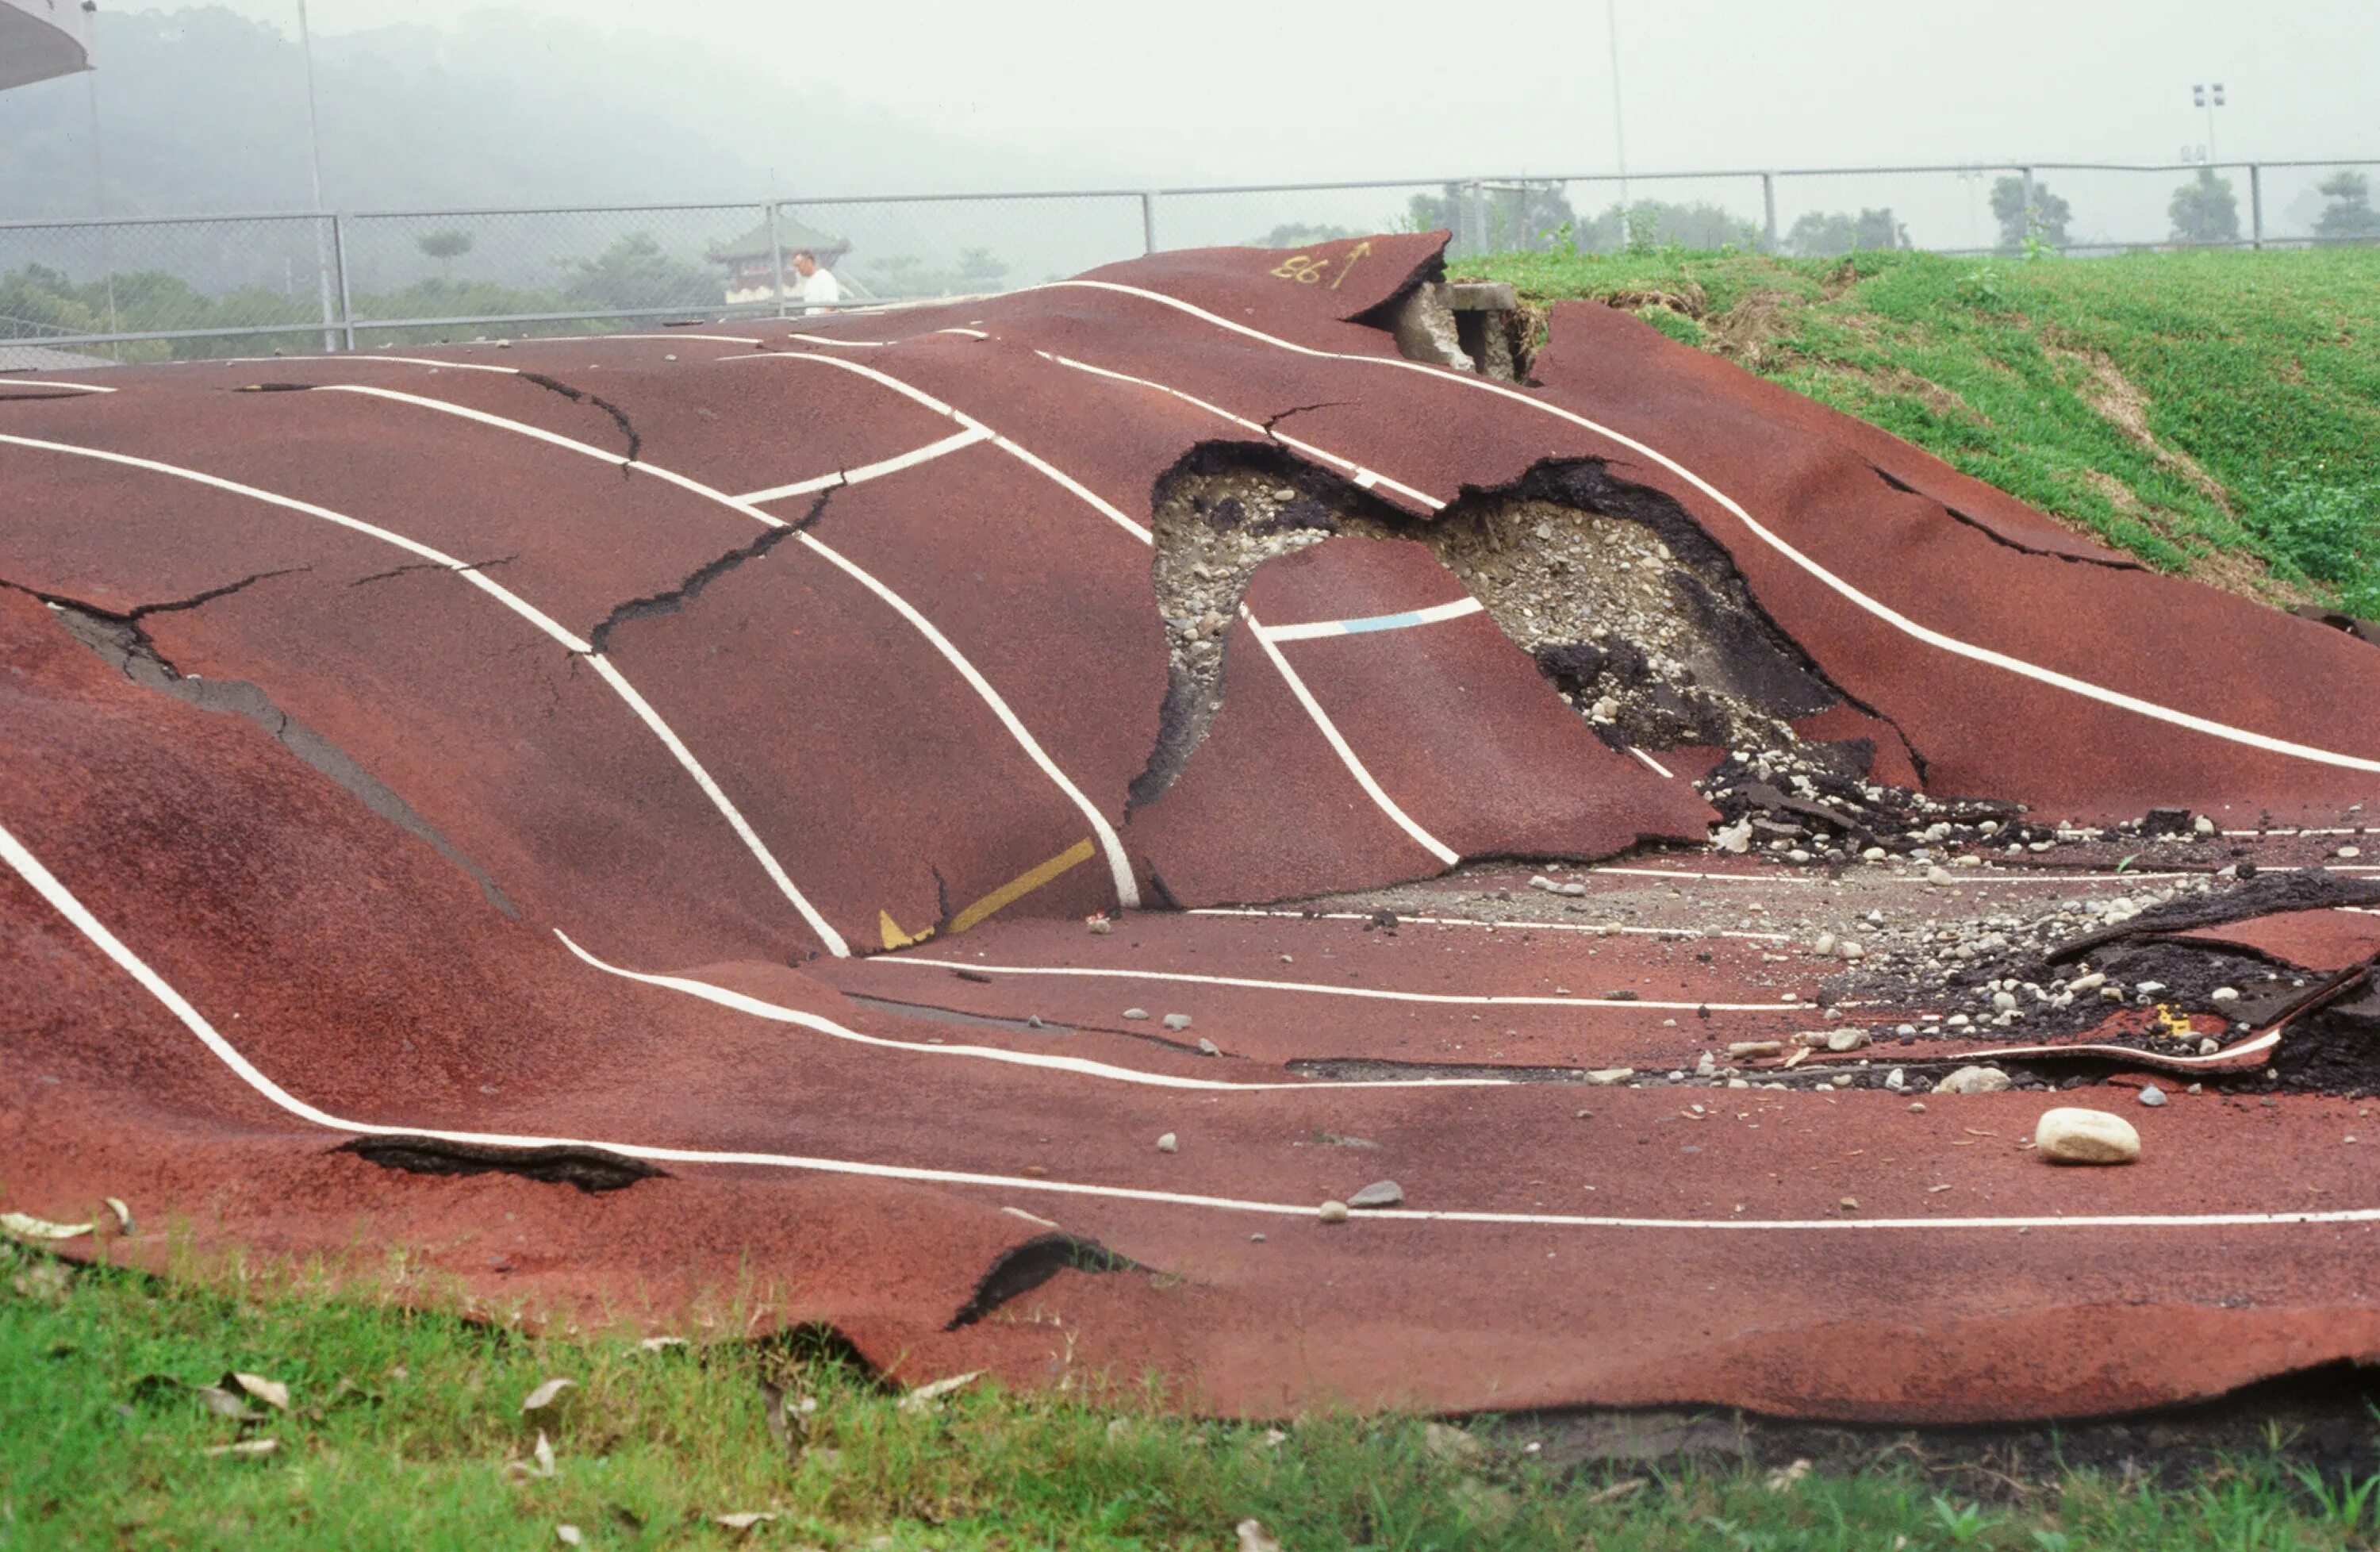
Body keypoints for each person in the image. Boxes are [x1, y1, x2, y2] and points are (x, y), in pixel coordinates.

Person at [790, 249, 839, 314]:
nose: (797, 269)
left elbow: (831, 305)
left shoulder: (824, 277)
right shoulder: (808, 282)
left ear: (809, 262)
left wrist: (821, 321)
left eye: (799, 265)